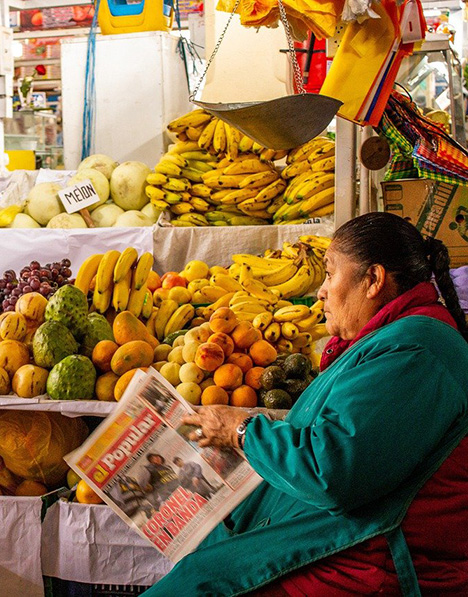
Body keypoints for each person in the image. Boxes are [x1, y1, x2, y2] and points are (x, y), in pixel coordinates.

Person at [145, 213, 468, 596]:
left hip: (367, 560)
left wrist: (241, 431)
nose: (321, 291)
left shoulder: (414, 351)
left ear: (373, 280)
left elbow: (332, 469)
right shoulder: (400, 339)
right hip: (342, 542)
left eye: (330, 274)